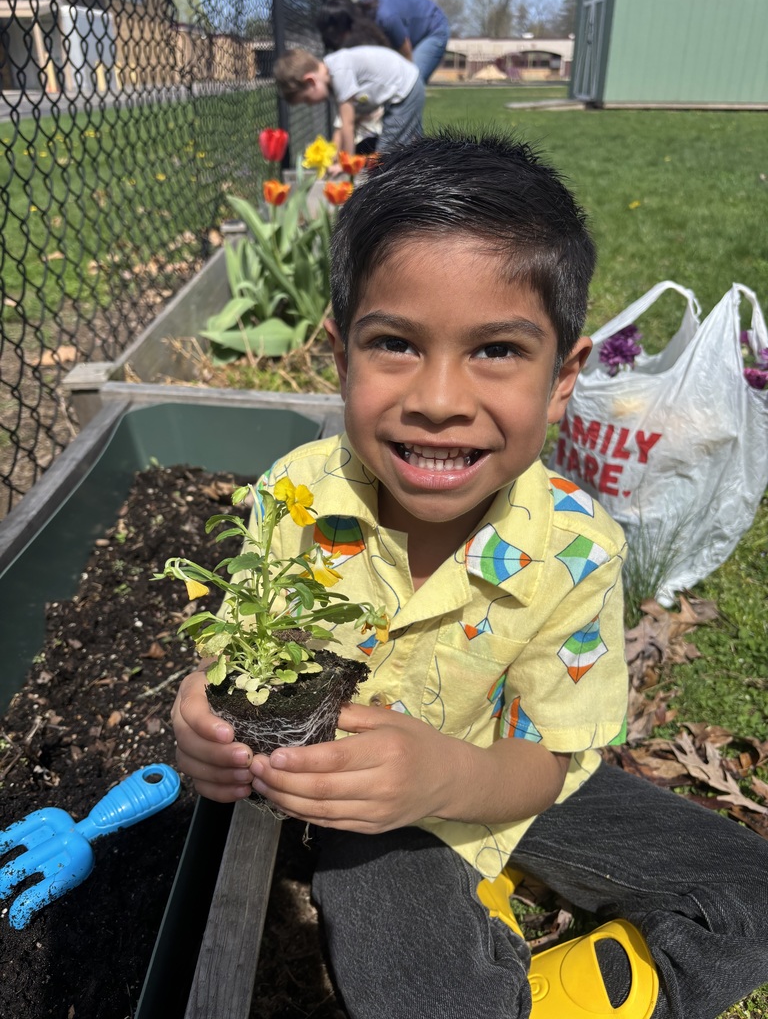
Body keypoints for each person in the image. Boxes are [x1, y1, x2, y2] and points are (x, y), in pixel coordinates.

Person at [171, 131, 768, 1019]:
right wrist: (202, 714)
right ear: (339, 355)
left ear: (564, 377)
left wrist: (451, 782)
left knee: (748, 885)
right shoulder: (296, 498)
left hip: (507, 776)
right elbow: (250, 655)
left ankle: (599, 991)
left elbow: (548, 759)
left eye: (496, 351)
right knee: (412, 980)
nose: (440, 399)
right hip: (365, 817)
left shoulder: (575, 545)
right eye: (396, 345)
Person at [274, 46, 424, 158]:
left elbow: (348, 123)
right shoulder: (332, 77)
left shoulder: (339, 72)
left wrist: (347, 163)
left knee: (385, 156)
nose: (310, 104)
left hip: (405, 90)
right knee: (410, 148)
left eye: (306, 99)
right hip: (405, 87)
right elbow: (341, 125)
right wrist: (335, 157)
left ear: (311, 81)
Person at [318, 0, 450, 84]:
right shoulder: (365, 22)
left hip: (433, 28)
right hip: (411, 32)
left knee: (411, 83)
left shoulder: (385, 17)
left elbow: (406, 54)